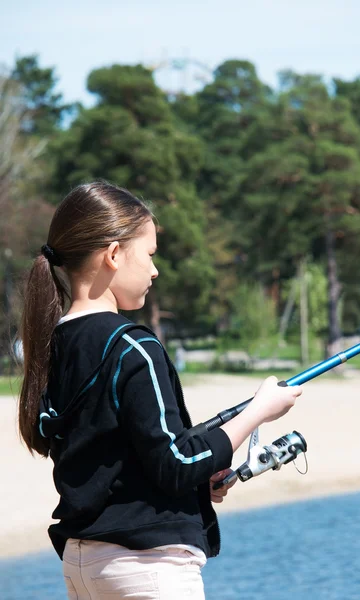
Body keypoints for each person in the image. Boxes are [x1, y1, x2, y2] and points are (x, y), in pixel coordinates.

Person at [18, 181, 302, 600]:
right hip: (145, 568)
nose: (154, 270)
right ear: (113, 255)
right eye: (149, 255)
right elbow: (177, 461)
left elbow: (117, 458)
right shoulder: (135, 346)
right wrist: (260, 410)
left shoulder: (55, 343)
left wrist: (200, 479)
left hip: (83, 565)